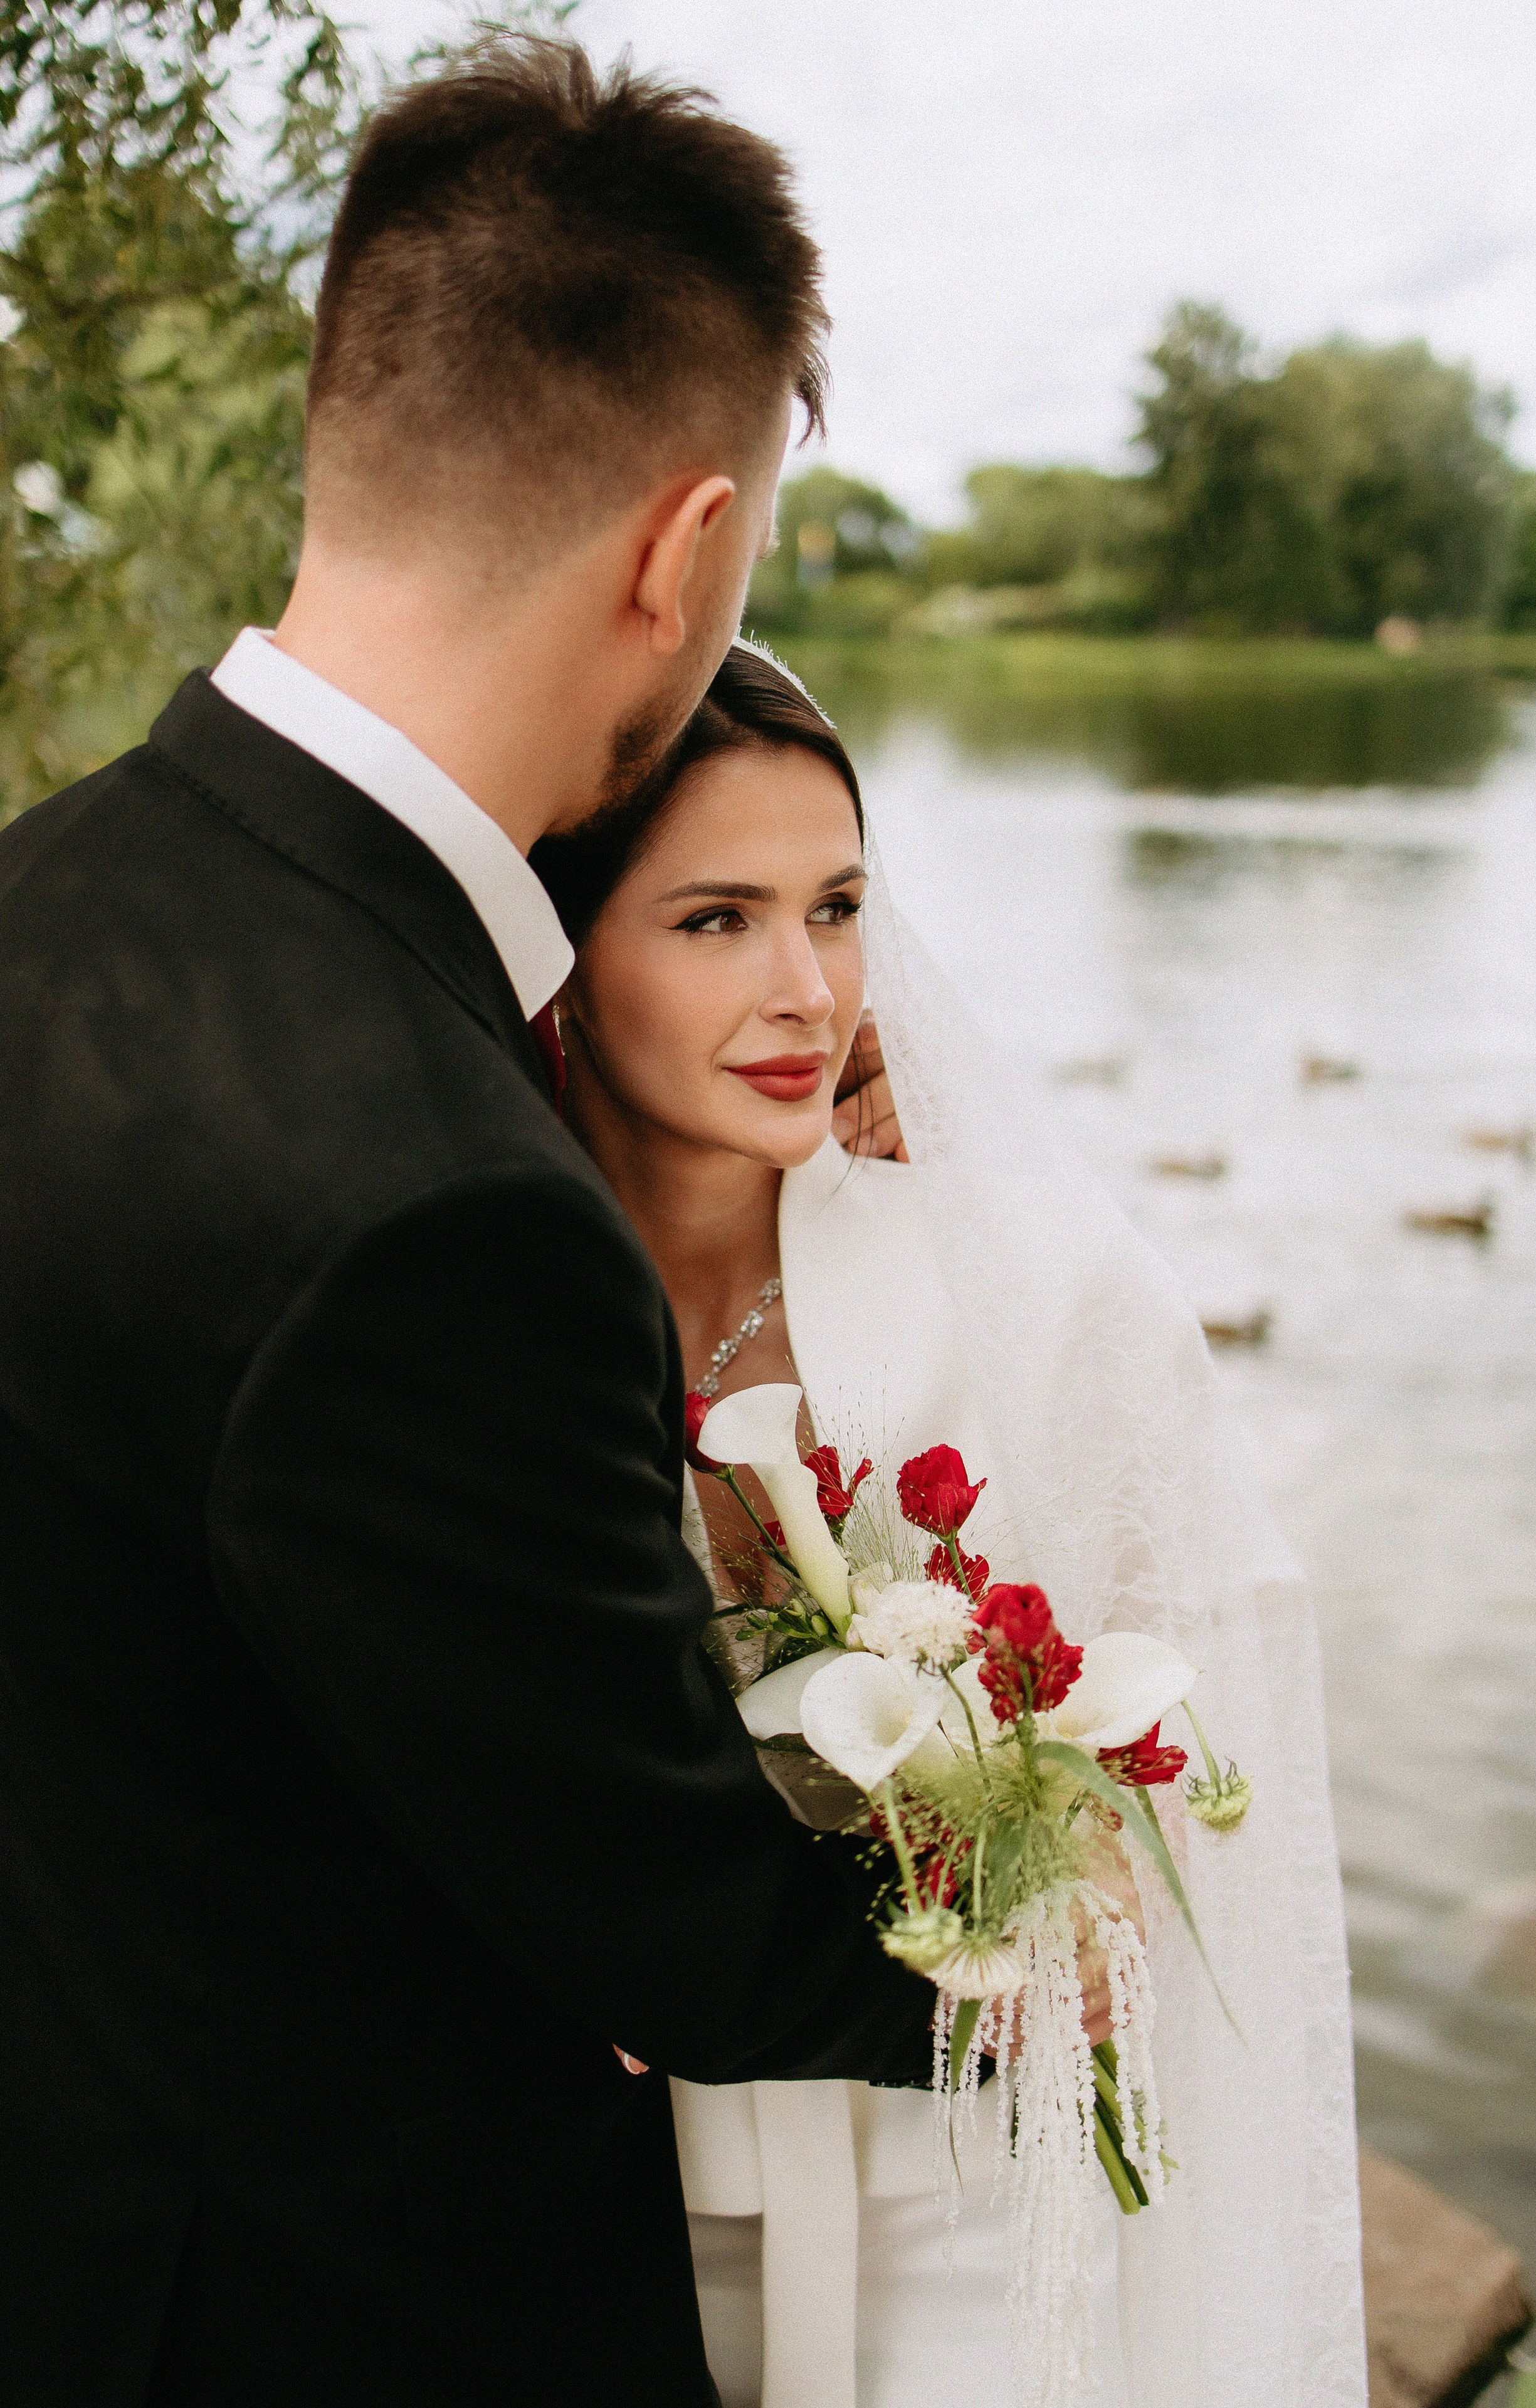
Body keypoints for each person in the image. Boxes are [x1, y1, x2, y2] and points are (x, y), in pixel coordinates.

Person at [0, 41, 946, 2408]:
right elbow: (705, 1933)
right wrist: (1079, 1913)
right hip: (339, 2313)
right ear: (684, 549)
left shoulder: (43, 897)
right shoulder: (447, 1206)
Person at [535, 641, 1370, 2408]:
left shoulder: (1019, 1293)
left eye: (836, 906)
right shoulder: (478, 1309)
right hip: (585, 2187)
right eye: (715, 919)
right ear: (561, 953)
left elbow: (1213, 1720)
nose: (807, 989)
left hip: (963, 2186)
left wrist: (1016, 1849)